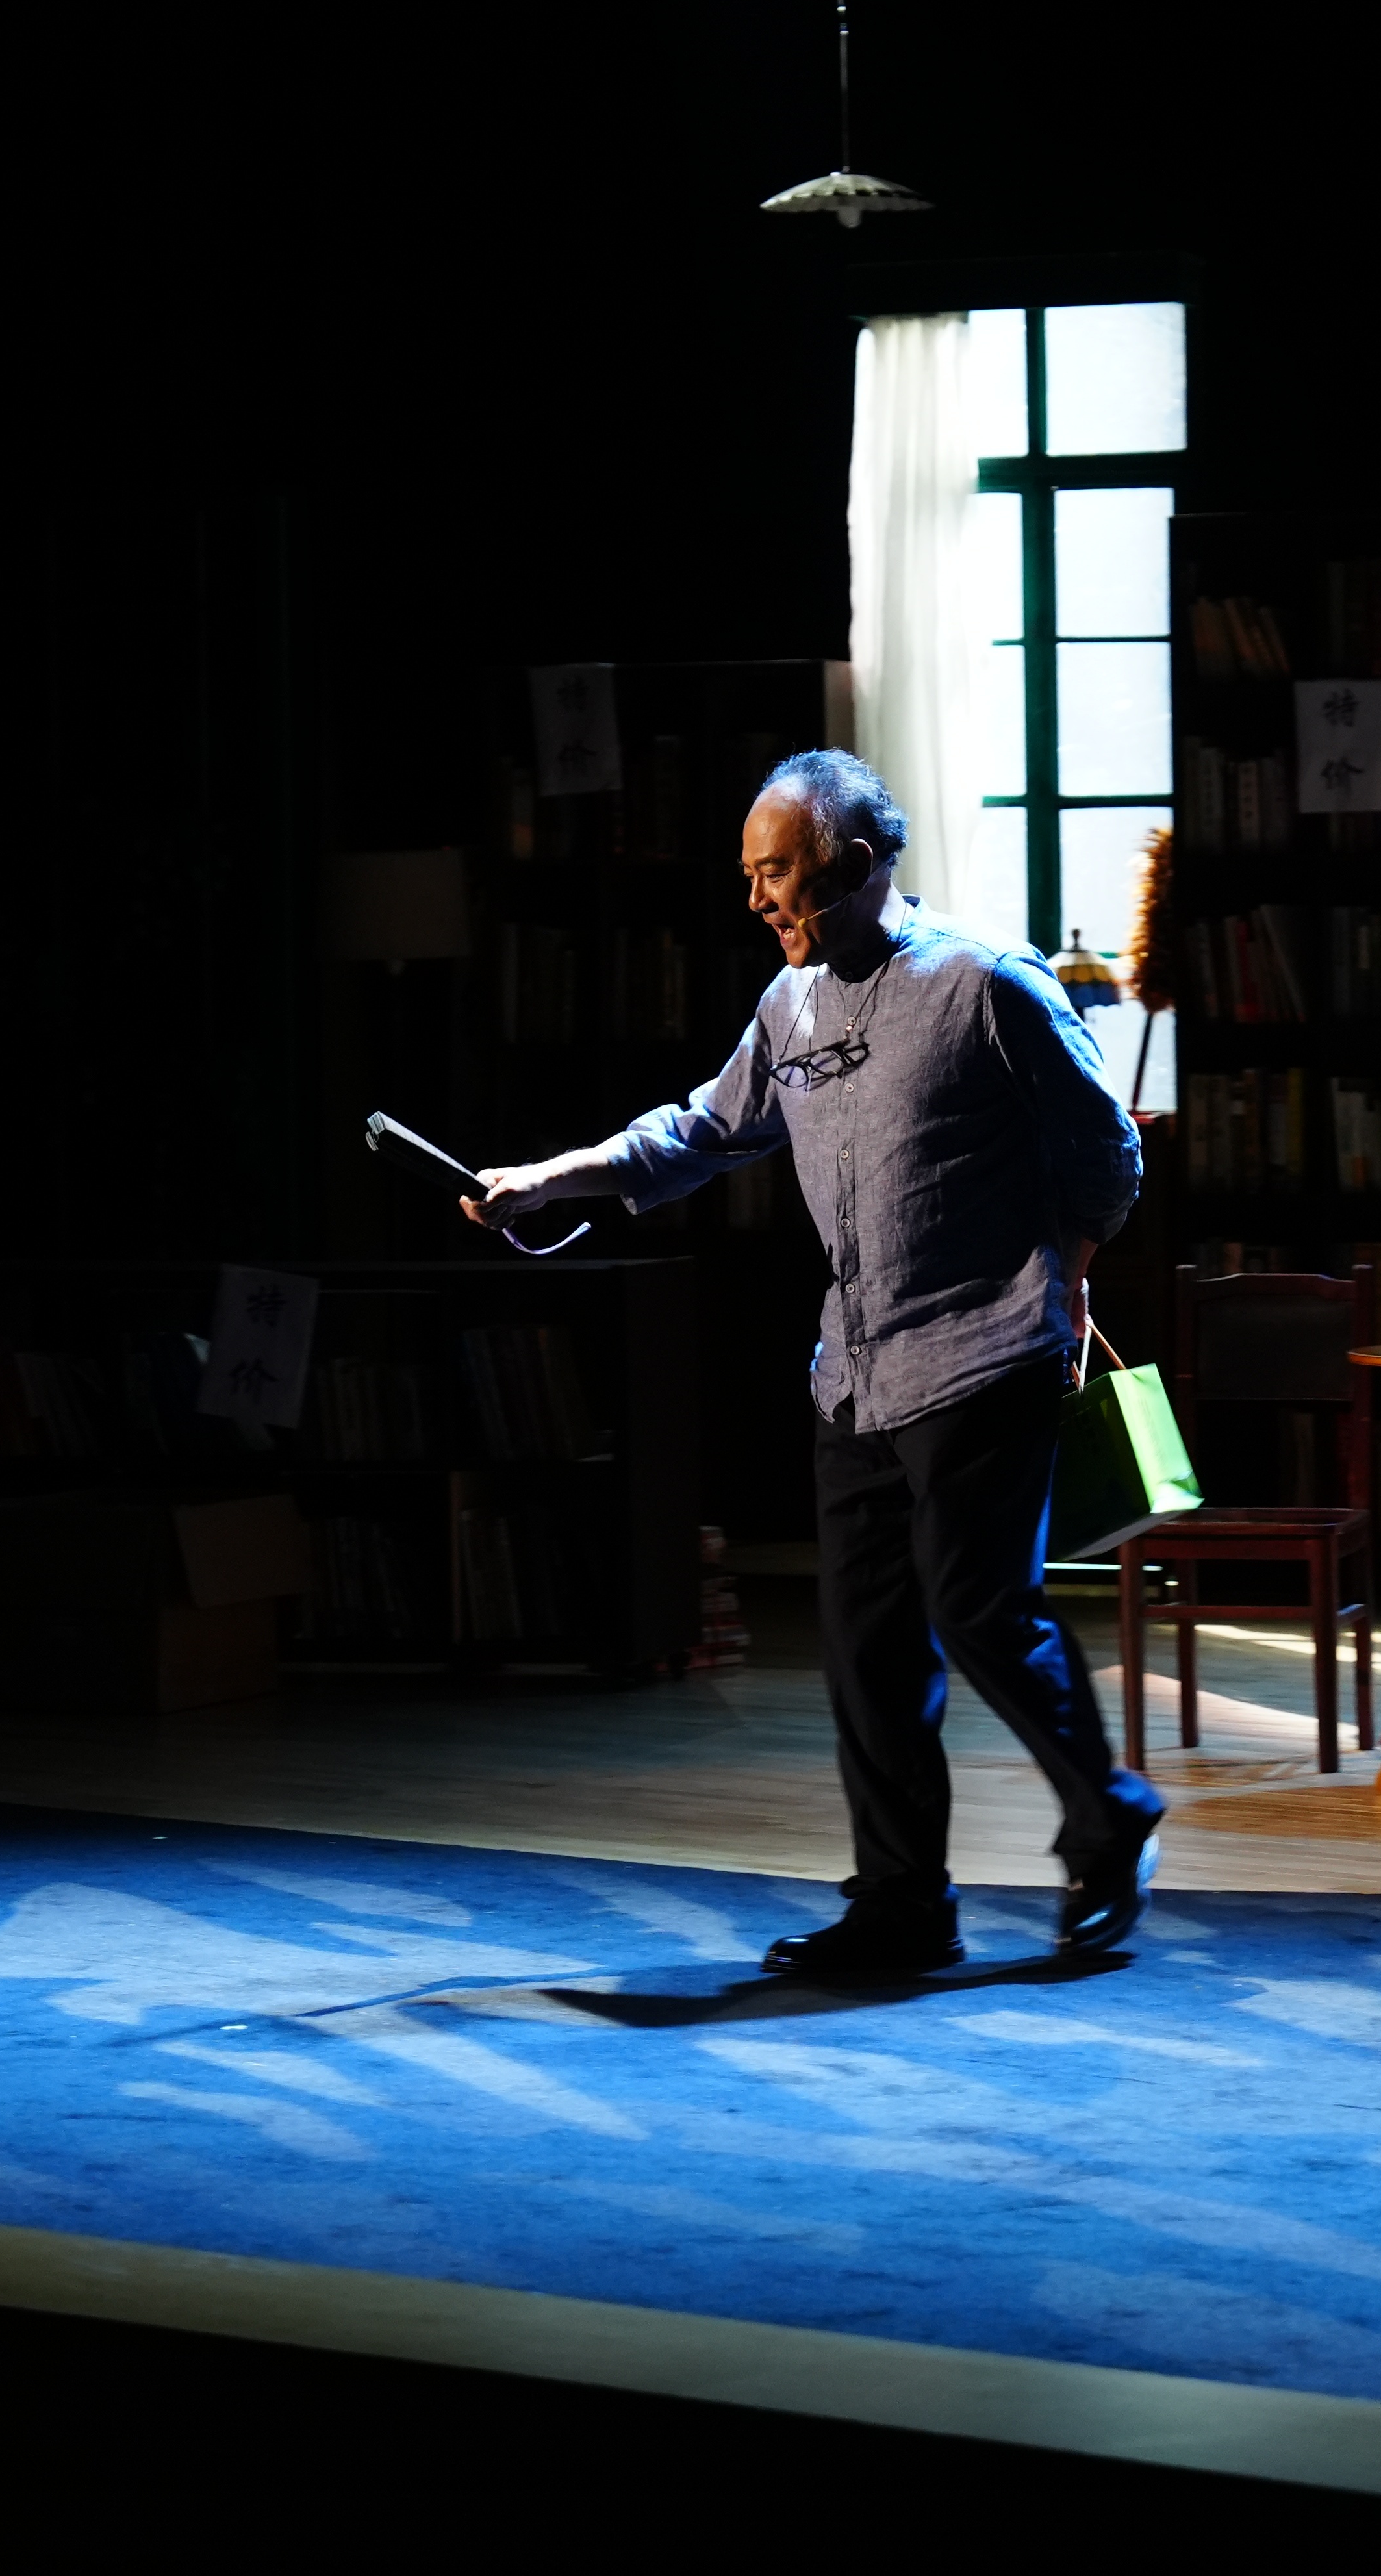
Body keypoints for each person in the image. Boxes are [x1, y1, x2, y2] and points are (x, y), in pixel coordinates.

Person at [468, 750, 1161, 1976]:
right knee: (869, 1648)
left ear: (858, 862)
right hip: (854, 1377)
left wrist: (1066, 1277)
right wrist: (550, 1179)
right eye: (751, 875)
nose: (756, 900)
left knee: (979, 1614)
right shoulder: (787, 1010)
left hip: (987, 1350)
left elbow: (1107, 1149)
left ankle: (1108, 1816)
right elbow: (701, 1130)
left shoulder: (985, 984)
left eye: (777, 872)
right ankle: (903, 1906)